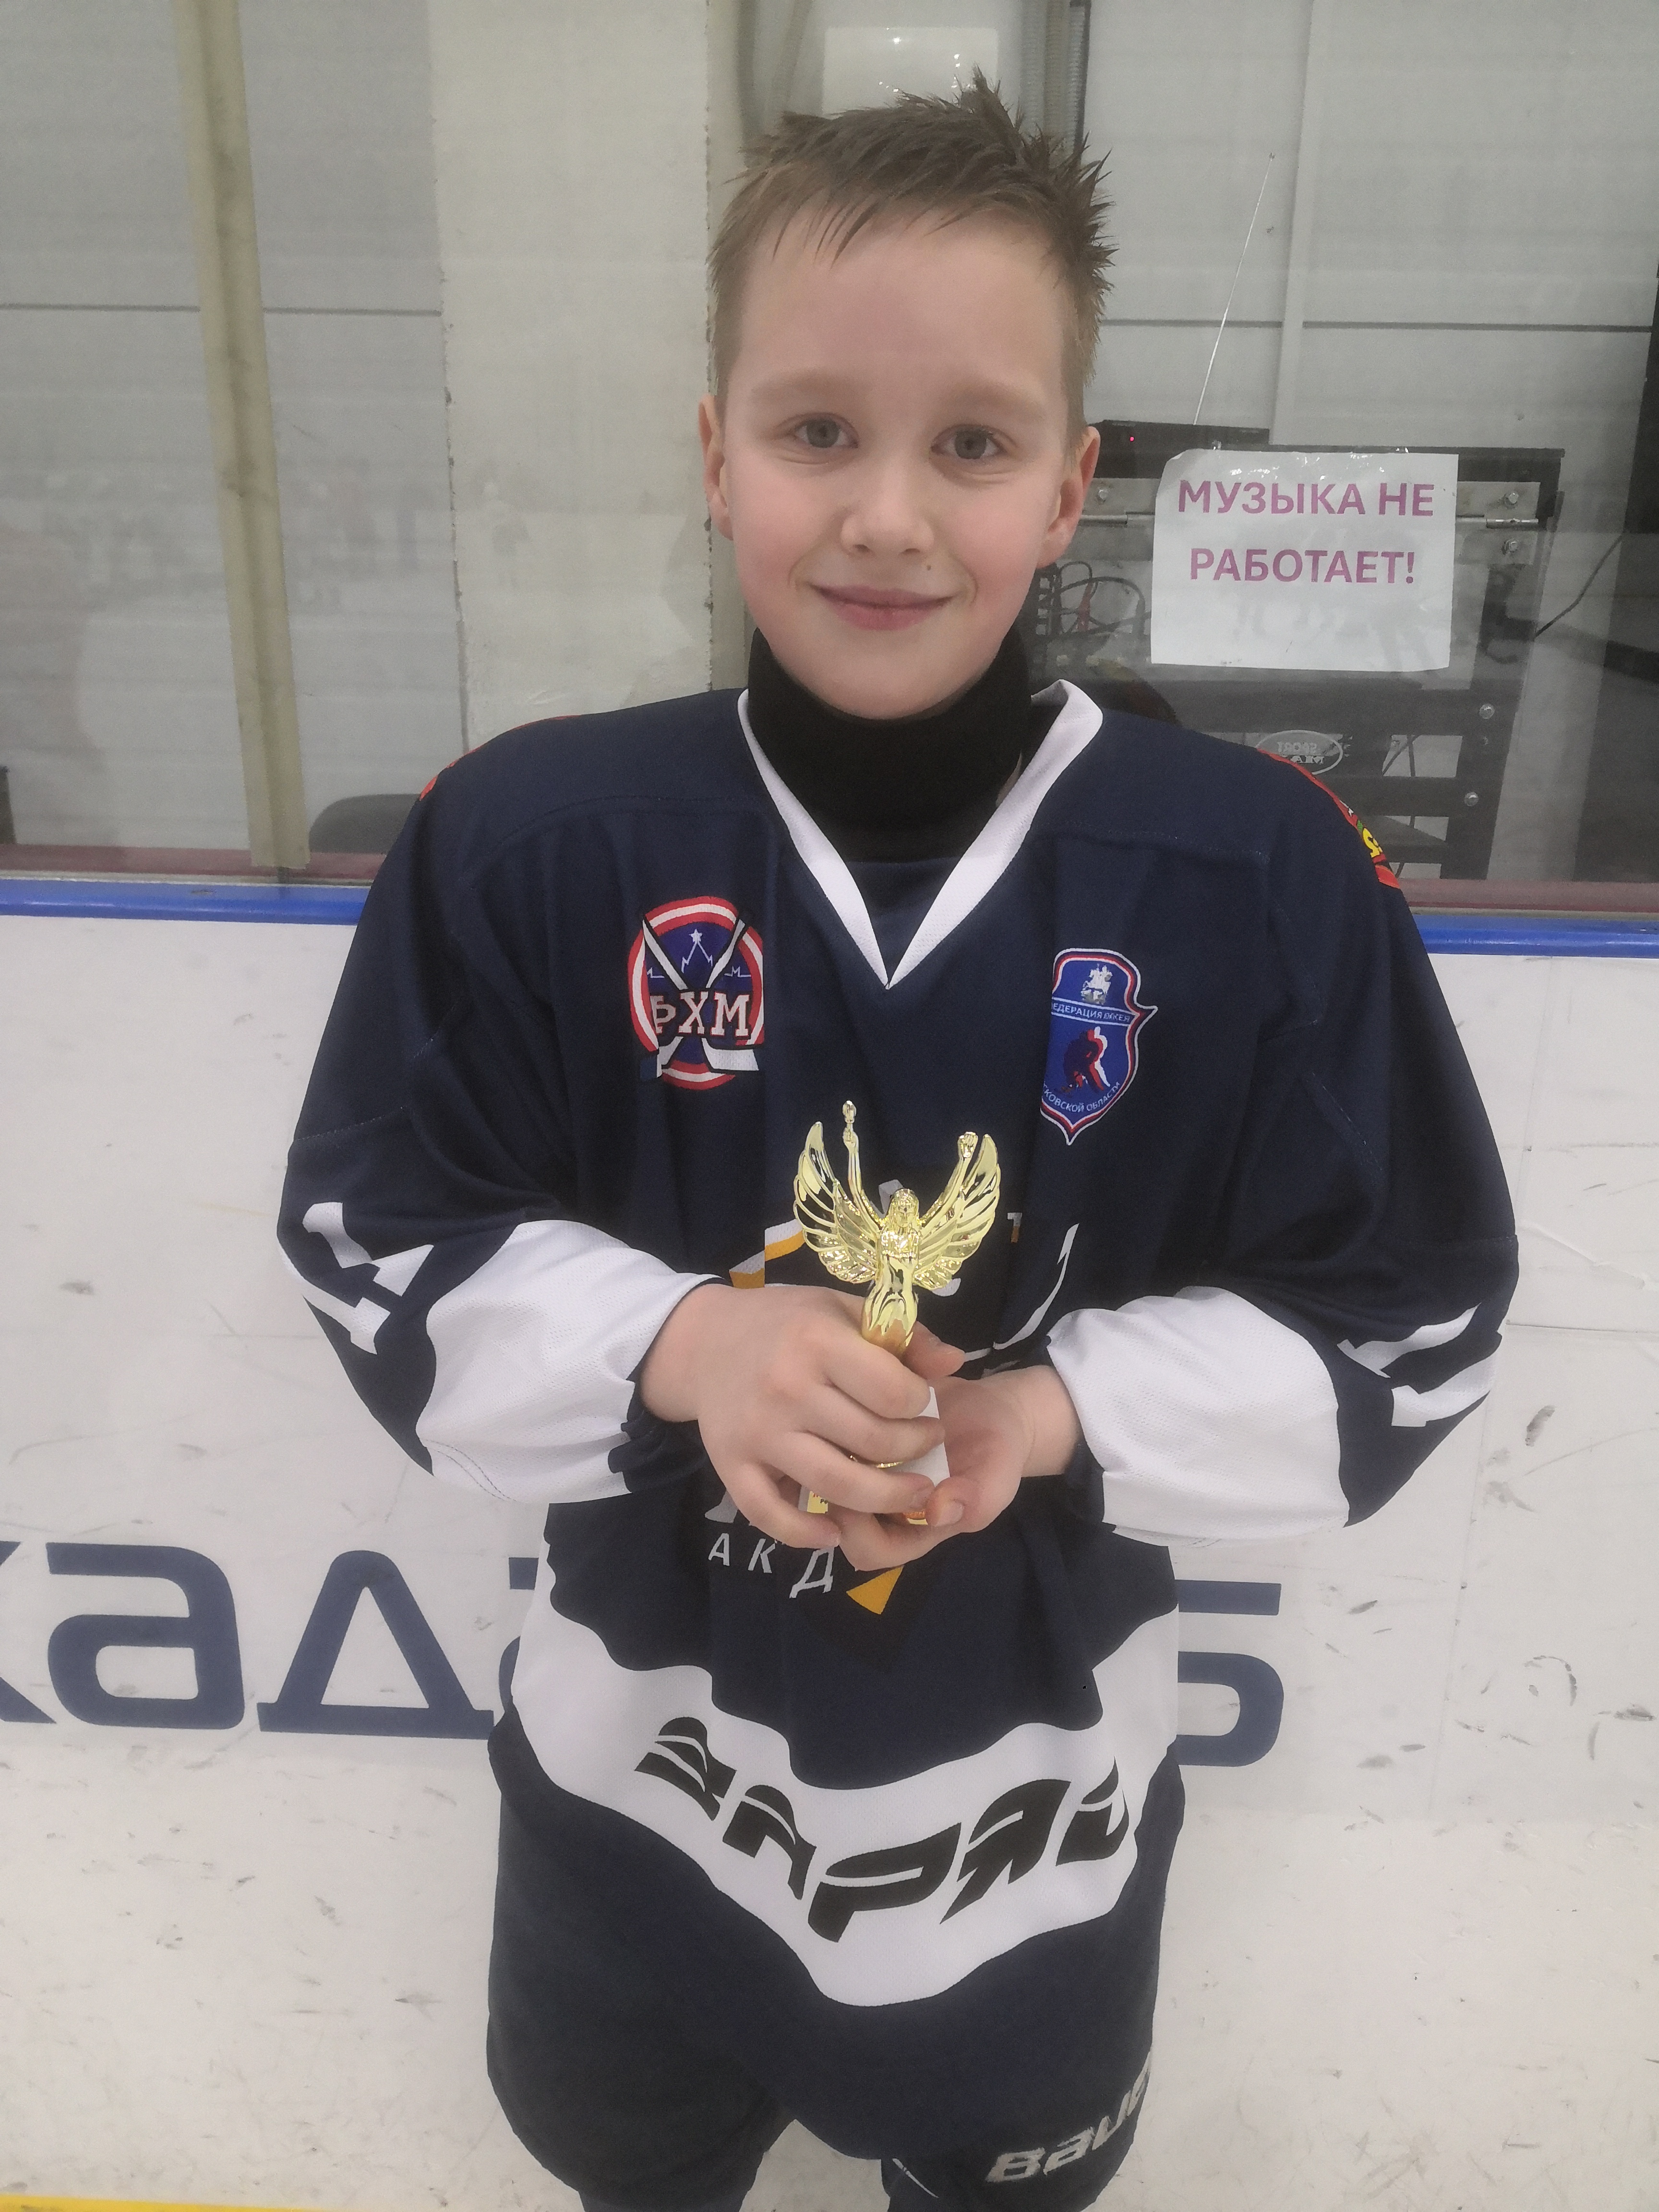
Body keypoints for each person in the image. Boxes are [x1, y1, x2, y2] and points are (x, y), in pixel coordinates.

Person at [279, 78, 1515, 2212]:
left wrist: (1043, 1413)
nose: (885, 515)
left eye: (972, 444)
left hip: (1036, 1838)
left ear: (1071, 487)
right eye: (817, 431)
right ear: (715, 454)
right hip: (630, 1812)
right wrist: (688, 1346)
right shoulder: (530, 842)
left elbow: (1413, 1318)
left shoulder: (1257, 873)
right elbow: (372, 1228)